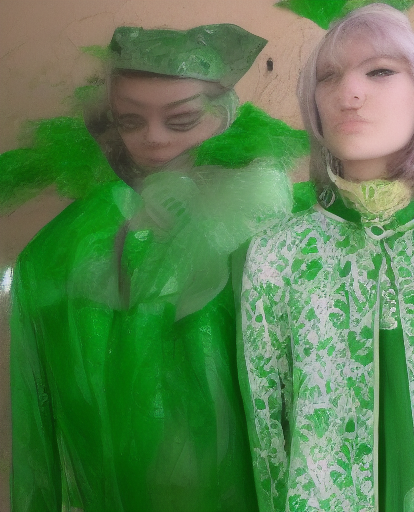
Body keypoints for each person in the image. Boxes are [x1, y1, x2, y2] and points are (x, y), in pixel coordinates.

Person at [10, 24, 305, 512]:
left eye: (182, 119)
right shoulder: (82, 232)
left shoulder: (264, 214)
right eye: (129, 121)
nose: (152, 139)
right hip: (123, 481)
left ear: (226, 114)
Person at [238, 4, 414, 512]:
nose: (350, 94)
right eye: (328, 77)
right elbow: (267, 432)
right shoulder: (281, 254)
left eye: (381, 71)